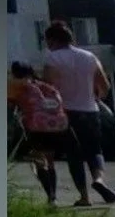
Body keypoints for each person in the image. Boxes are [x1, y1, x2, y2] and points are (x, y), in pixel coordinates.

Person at [41, 20, 115, 207]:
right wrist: (95, 98)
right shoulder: (89, 57)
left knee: (73, 154)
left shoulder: (53, 59)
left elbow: (48, 88)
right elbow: (105, 86)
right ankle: (99, 180)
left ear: (52, 40)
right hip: (90, 110)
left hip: (66, 113)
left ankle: (84, 197)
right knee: (94, 150)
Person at [7, 62, 71, 206]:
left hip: (35, 127)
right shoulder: (46, 86)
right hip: (55, 127)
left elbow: (10, 106)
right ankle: (54, 197)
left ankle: (51, 197)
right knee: (50, 162)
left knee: (39, 161)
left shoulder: (18, 87)